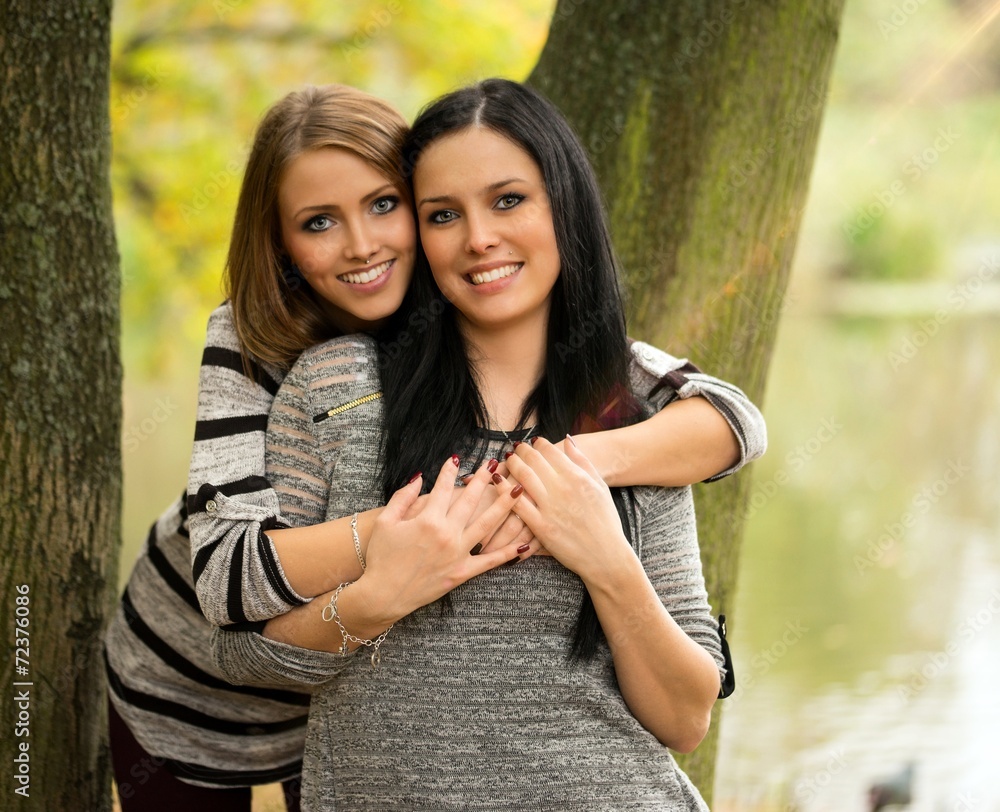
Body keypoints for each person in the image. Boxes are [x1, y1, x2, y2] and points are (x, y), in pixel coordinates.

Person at [106, 82, 764, 810]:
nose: (363, 245)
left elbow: (731, 425)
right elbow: (229, 604)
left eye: (386, 207)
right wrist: (390, 570)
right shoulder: (288, 360)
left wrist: (584, 506)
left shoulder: (629, 409)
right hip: (179, 680)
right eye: (444, 214)